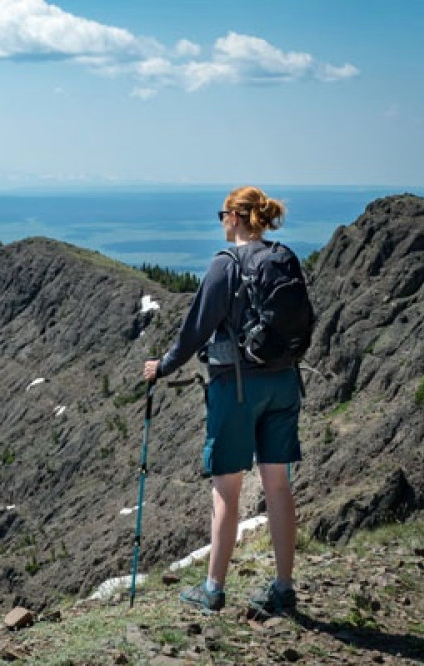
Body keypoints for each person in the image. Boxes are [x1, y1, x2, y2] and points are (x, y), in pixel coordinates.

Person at [143, 185, 301, 616]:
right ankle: (283, 588)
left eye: (222, 214)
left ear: (234, 217)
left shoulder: (225, 265)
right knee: (278, 486)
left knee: (226, 491)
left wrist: (163, 367)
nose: (221, 222)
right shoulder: (282, 258)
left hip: (236, 388)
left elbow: (195, 328)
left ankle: (213, 589)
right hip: (284, 382)